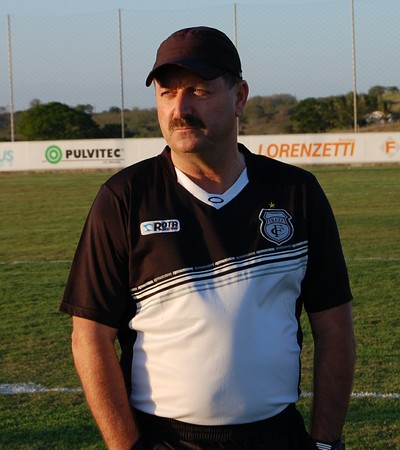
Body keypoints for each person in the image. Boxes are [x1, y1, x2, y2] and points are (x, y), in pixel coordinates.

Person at [60, 26, 355, 450]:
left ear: (239, 98)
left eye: (198, 90)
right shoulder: (124, 198)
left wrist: (325, 441)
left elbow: (334, 325)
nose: (179, 108)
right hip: (165, 439)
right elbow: (90, 336)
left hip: (277, 436)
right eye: (167, 93)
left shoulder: (296, 193)